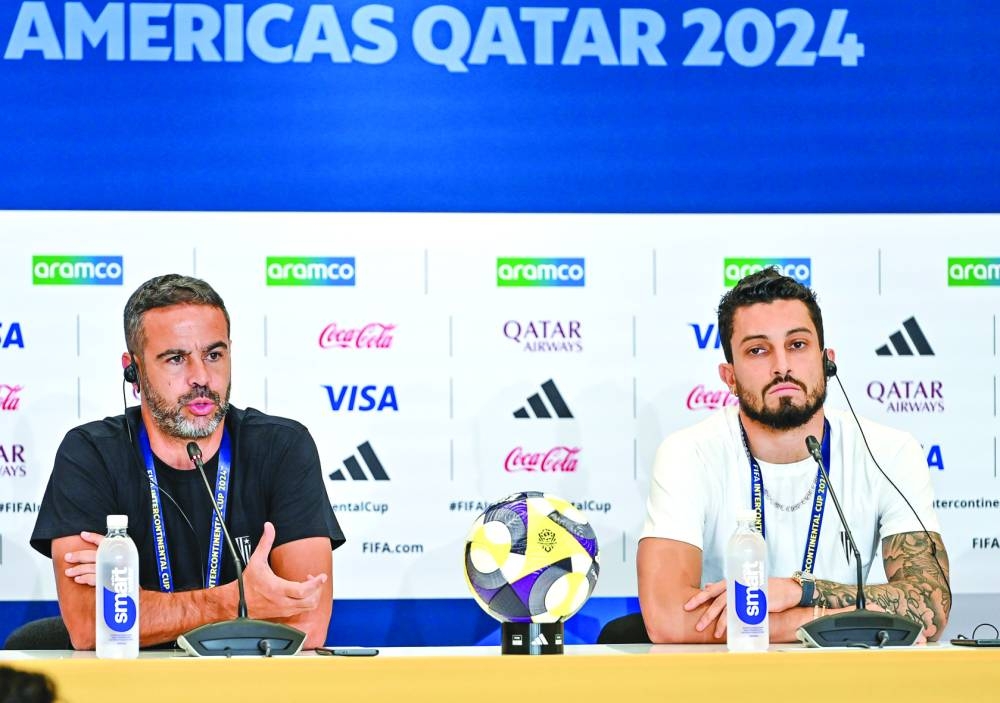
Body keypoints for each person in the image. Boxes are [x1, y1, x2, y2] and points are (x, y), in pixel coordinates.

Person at [31, 274, 345, 650]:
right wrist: (239, 600)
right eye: (176, 359)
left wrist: (134, 605)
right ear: (133, 370)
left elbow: (306, 623)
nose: (201, 377)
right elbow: (89, 625)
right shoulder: (89, 454)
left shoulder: (283, 447)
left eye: (214, 355)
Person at [637, 267, 950, 643]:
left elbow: (930, 605)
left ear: (827, 359)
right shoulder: (688, 454)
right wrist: (821, 623)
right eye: (757, 350)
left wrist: (798, 590)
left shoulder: (890, 452)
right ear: (729, 376)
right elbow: (668, 619)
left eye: (797, 345)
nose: (781, 365)